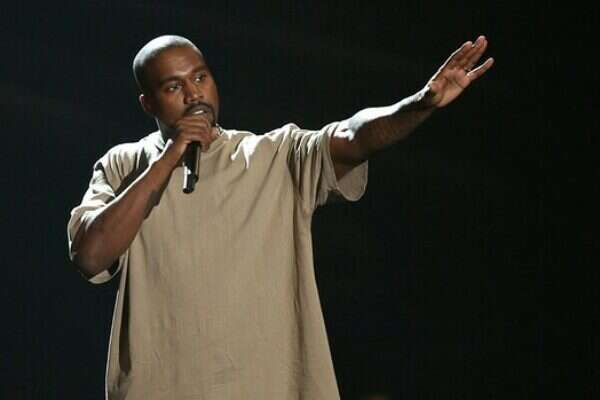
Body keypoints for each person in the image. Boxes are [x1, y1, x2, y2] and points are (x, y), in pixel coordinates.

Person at [67, 34, 493, 399]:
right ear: (148, 103)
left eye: (200, 77)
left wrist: (418, 104)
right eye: (174, 86)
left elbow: (352, 135)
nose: (194, 95)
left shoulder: (272, 156)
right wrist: (169, 158)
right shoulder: (123, 165)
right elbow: (90, 255)